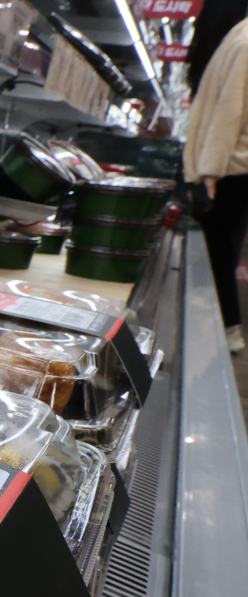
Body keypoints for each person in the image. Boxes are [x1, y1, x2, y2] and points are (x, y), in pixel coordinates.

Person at [185, 0, 248, 353]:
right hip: (234, 167)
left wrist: (208, 171)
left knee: (220, 253)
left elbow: (230, 111)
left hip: (229, 168)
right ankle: (224, 327)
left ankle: (228, 331)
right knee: (224, 249)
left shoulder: (242, 41)